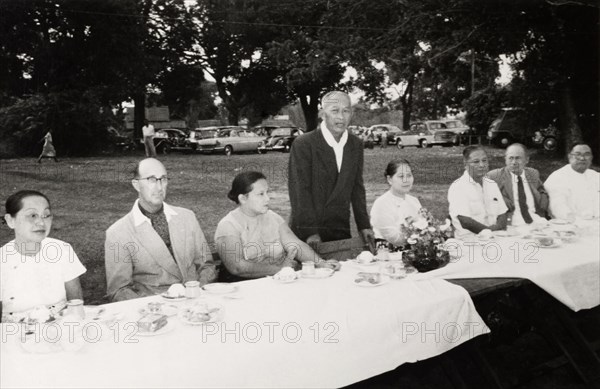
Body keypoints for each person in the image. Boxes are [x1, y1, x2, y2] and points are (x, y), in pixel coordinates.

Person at [104, 158, 217, 302]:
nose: (159, 187)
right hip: (154, 312)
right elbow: (118, 290)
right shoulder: (118, 233)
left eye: (163, 179)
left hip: (196, 304)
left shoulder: (187, 217)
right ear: (136, 185)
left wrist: (198, 293)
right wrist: (154, 309)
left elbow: (207, 265)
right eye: (151, 179)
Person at [288, 90, 375, 252]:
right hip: (308, 232)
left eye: (346, 111)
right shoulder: (304, 144)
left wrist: (364, 225)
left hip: (339, 228)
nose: (341, 117)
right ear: (322, 113)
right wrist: (310, 232)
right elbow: (299, 191)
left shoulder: (355, 144)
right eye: (334, 111)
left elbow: (357, 188)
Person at [215, 171, 339, 280]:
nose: (268, 199)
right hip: (243, 288)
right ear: (243, 198)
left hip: (278, 281)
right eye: (261, 194)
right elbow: (237, 267)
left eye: (267, 192)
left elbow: (296, 244)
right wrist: (279, 269)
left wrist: (321, 263)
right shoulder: (228, 225)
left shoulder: (272, 217)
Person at [1, 190, 85, 323]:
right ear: (10, 221)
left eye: (46, 215)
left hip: (62, 329)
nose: (41, 222)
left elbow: (76, 303)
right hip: (14, 336)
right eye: (32, 215)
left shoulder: (62, 250)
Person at [448, 146, 508, 237]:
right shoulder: (458, 187)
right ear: (465, 164)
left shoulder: (492, 184)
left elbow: (502, 213)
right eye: (476, 161)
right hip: (470, 241)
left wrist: (496, 230)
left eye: (484, 160)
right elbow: (465, 221)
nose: (481, 165)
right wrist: (489, 232)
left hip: (496, 237)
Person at [486, 143, 550, 226]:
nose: (514, 162)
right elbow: (482, 192)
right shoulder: (494, 176)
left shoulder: (532, 173)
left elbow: (540, 189)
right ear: (505, 159)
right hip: (512, 222)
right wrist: (500, 198)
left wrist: (543, 196)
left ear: (526, 160)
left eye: (518, 158)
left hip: (535, 219)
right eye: (510, 158)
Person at [370, 159, 422, 247]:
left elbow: (424, 226)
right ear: (389, 179)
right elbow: (394, 238)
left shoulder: (414, 201)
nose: (406, 180)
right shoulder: (381, 204)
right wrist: (420, 233)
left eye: (409, 175)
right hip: (388, 255)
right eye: (401, 176)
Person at [544, 143, 599, 220]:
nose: (582, 158)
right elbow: (559, 209)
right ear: (569, 156)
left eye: (587, 154)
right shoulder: (558, 178)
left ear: (591, 157)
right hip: (571, 225)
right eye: (577, 154)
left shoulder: (596, 176)